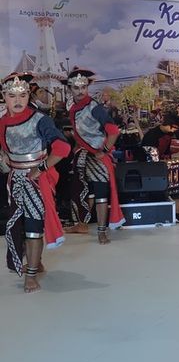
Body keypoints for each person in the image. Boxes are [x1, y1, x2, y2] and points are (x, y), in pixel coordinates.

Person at [0, 73, 71, 293]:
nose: (18, 100)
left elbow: (63, 148)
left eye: (22, 95)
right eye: (12, 95)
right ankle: (34, 261)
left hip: (36, 180)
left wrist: (40, 169)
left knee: (33, 226)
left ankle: (30, 274)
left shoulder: (40, 119)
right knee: (16, 225)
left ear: (28, 94)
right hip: (14, 179)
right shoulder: (2, 122)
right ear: (4, 97)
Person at [65, 69, 126, 243]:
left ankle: (101, 231)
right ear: (70, 88)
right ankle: (81, 225)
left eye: (83, 87)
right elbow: (79, 133)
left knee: (100, 193)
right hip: (83, 154)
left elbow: (113, 132)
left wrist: (104, 151)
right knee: (82, 193)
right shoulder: (73, 107)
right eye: (76, 88)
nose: (80, 91)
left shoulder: (94, 107)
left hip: (98, 155)